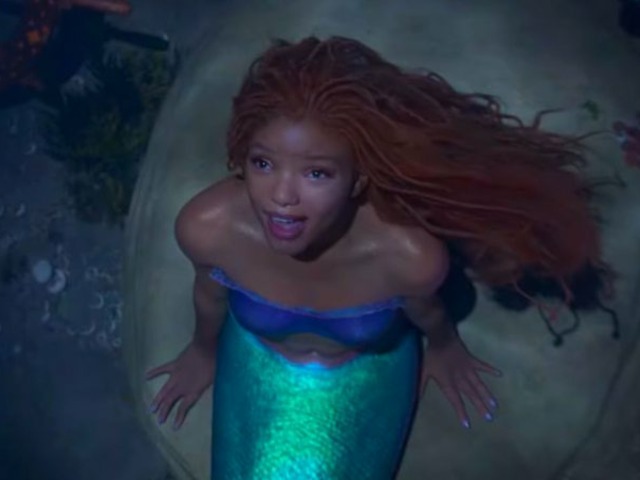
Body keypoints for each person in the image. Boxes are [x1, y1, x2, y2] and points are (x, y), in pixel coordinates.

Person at [145, 36, 615, 479]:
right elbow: (209, 294)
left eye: (316, 173)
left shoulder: (407, 256)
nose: (281, 196)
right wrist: (202, 351)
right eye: (263, 163)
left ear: (358, 179)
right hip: (256, 362)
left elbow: (428, 312)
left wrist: (445, 348)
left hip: (366, 373)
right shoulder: (208, 228)